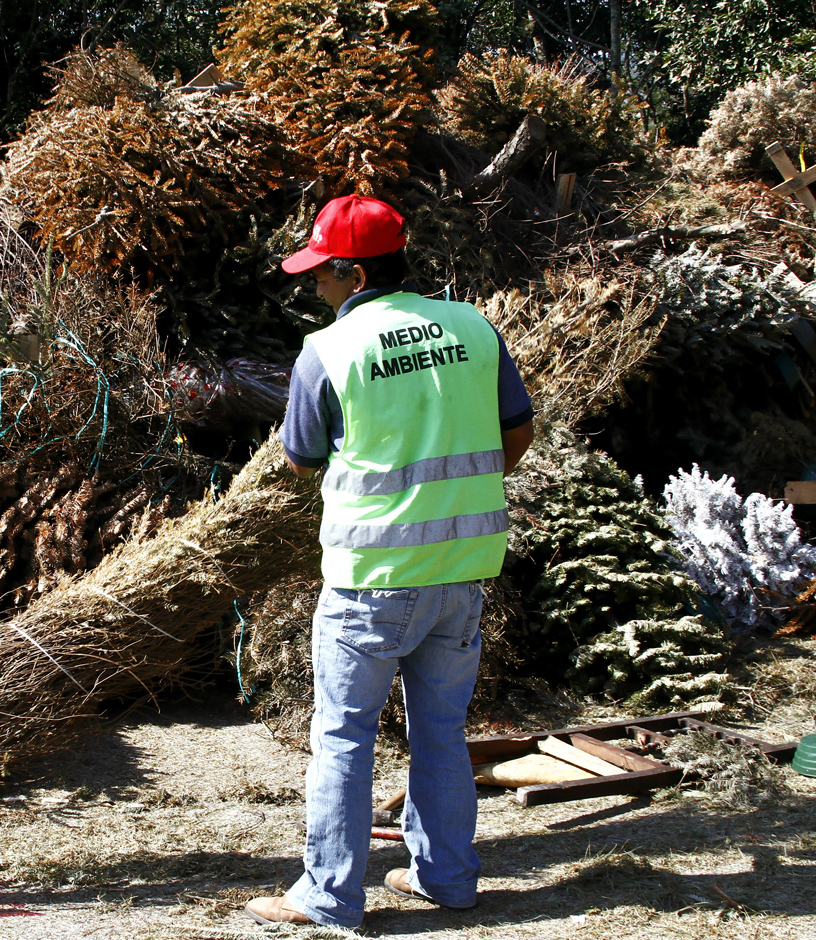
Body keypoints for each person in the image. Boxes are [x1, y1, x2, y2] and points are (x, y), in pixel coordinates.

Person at [245, 195, 535, 928]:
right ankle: (447, 880)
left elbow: (300, 457)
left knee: (343, 737)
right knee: (441, 732)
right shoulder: (472, 327)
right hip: (461, 570)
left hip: (370, 580)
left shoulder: (329, 350)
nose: (314, 286)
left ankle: (328, 896)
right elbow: (517, 429)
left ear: (350, 270)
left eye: (319, 273)